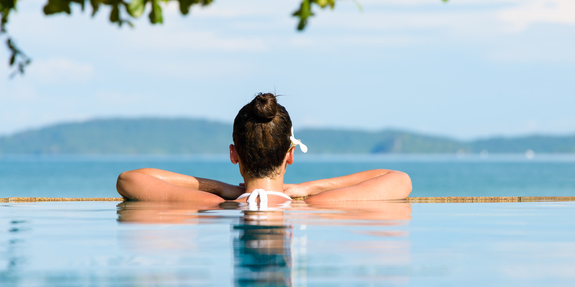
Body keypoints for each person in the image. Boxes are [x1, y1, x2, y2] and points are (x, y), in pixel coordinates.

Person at [116, 93, 412, 206]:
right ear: (290, 155)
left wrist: (220, 189)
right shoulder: (317, 206)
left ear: (234, 155)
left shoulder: (214, 205)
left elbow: (130, 179)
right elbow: (398, 178)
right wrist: (311, 188)